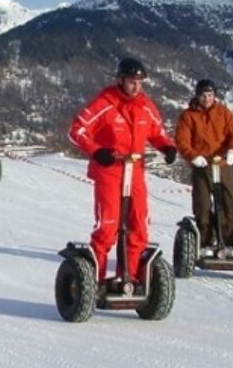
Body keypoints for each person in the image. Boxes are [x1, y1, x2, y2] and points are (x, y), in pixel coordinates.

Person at [68, 57, 177, 281]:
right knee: (108, 227)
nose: (136, 86)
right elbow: (77, 130)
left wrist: (168, 147)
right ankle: (94, 281)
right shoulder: (105, 102)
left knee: (139, 227)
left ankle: (131, 278)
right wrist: (97, 151)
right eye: (131, 81)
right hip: (110, 171)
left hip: (135, 171)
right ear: (120, 80)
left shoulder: (145, 105)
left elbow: (158, 132)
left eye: (140, 82)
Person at [175, 78, 233, 251]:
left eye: (210, 95)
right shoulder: (188, 116)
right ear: (197, 96)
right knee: (202, 205)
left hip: (221, 164)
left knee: (229, 201)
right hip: (201, 165)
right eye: (203, 95)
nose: (207, 99)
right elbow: (182, 140)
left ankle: (228, 242)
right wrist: (193, 156)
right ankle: (205, 242)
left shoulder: (223, 113)